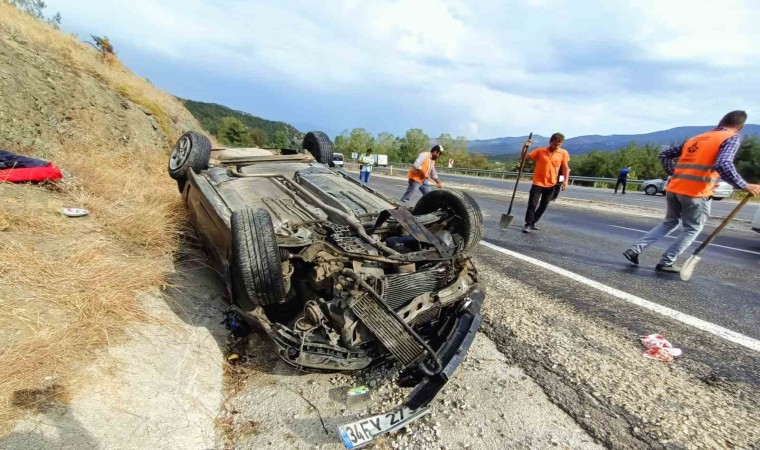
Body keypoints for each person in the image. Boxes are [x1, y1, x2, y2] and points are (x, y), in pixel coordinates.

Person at [623, 110, 760, 273]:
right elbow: (723, 164)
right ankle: (667, 261)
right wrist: (744, 185)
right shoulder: (731, 137)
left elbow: (665, 154)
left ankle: (635, 249)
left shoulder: (697, 138)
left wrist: (674, 173)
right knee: (692, 228)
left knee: (669, 222)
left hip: (674, 188)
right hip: (696, 193)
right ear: (740, 127)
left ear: (720, 122)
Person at [522, 133, 570, 233]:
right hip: (538, 183)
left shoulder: (563, 153)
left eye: (559, 144)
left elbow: (565, 168)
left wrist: (565, 181)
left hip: (552, 183)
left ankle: (534, 221)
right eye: (555, 144)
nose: (556, 146)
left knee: (544, 205)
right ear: (550, 142)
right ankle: (528, 224)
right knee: (532, 204)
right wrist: (524, 147)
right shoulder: (540, 151)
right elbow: (524, 157)